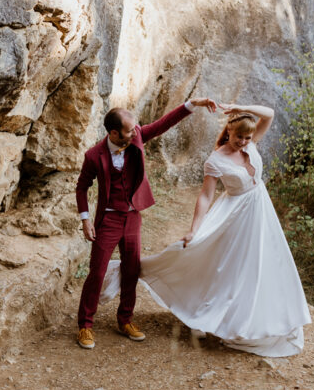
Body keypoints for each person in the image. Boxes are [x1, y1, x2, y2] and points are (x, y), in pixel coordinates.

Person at [100, 103, 312, 357]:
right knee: (222, 265)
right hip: (236, 215)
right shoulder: (216, 160)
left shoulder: (251, 143)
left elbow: (270, 113)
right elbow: (205, 197)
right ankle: (133, 272)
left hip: (261, 213)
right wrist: (194, 230)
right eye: (238, 137)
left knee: (263, 264)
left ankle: (263, 318)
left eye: (247, 137)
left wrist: (238, 108)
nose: (243, 142)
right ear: (228, 132)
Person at [75, 97, 218, 349]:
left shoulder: (137, 136)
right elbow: (82, 187)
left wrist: (190, 105)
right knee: (97, 272)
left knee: (133, 269)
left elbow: (163, 124)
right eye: (129, 130)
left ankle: (125, 320)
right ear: (113, 133)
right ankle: (85, 325)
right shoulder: (93, 156)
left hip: (132, 217)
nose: (135, 133)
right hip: (107, 219)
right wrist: (86, 220)